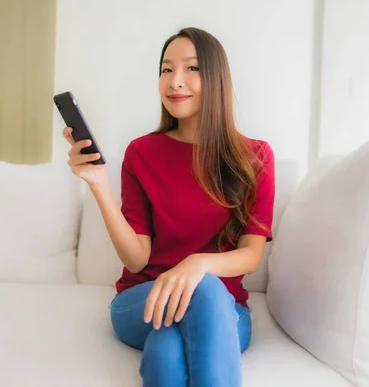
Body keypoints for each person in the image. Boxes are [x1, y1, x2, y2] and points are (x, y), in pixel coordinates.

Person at [62, 27, 275, 387]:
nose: (176, 82)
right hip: (142, 300)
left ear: (216, 78)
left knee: (166, 348)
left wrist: (198, 263)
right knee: (205, 288)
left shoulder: (254, 157)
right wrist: (98, 185)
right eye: (166, 70)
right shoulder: (142, 153)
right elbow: (136, 259)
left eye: (192, 69)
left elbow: (251, 256)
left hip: (225, 310)